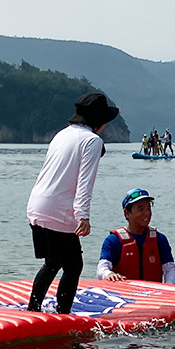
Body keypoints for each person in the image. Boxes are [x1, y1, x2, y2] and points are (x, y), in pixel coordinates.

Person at [26, 92, 120, 313]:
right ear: (99, 121)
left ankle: (34, 309)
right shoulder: (92, 141)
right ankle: (63, 315)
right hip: (58, 209)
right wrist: (83, 216)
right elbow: (84, 183)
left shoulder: (62, 134)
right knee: (74, 265)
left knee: (53, 263)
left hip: (37, 205)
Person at [97, 188, 175, 283]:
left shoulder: (160, 239)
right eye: (141, 209)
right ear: (127, 213)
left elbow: (170, 269)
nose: (147, 213)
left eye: (148, 208)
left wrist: (168, 286)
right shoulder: (113, 241)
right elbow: (102, 268)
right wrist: (109, 274)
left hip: (153, 294)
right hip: (124, 294)